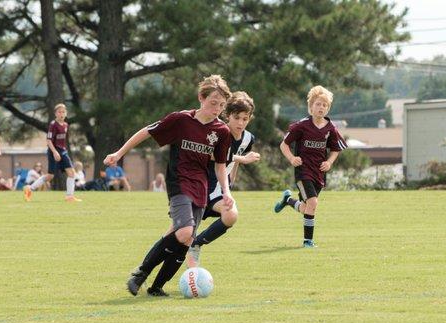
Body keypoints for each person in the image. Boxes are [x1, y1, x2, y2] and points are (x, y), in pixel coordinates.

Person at [104, 74, 233, 297]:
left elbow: (221, 166)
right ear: (201, 98)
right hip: (179, 183)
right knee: (184, 233)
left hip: (200, 187)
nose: (217, 109)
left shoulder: (221, 132)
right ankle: (141, 273)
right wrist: (119, 153)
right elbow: (147, 131)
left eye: (221, 106)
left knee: (186, 239)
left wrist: (226, 192)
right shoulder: (181, 120)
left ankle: (156, 287)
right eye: (213, 103)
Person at [186, 91, 260, 267]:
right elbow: (214, 156)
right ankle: (148, 271)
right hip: (203, 186)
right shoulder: (218, 132)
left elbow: (233, 162)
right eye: (237, 118)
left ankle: (196, 245)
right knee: (179, 236)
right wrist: (243, 159)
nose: (241, 123)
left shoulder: (248, 138)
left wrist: (230, 183)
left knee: (231, 215)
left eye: (245, 118)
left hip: (220, 189)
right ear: (228, 115)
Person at [273, 85, 347, 248]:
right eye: (318, 104)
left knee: (307, 207)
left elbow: (336, 149)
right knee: (313, 203)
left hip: (319, 173)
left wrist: (329, 162)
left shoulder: (330, 128)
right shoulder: (301, 125)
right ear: (311, 106)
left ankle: (288, 200)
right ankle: (308, 241)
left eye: (325, 105)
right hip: (303, 172)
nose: (321, 108)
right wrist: (292, 158)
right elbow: (284, 145)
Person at [23, 103, 82, 202]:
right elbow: (49, 140)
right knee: (50, 176)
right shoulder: (53, 124)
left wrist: (62, 151)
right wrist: (55, 152)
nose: (61, 114)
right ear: (55, 114)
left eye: (63, 112)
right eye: (59, 112)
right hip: (53, 151)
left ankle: (69, 196)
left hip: (63, 151)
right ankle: (30, 188)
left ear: (66, 113)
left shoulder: (66, 125)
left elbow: (62, 141)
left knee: (71, 173)